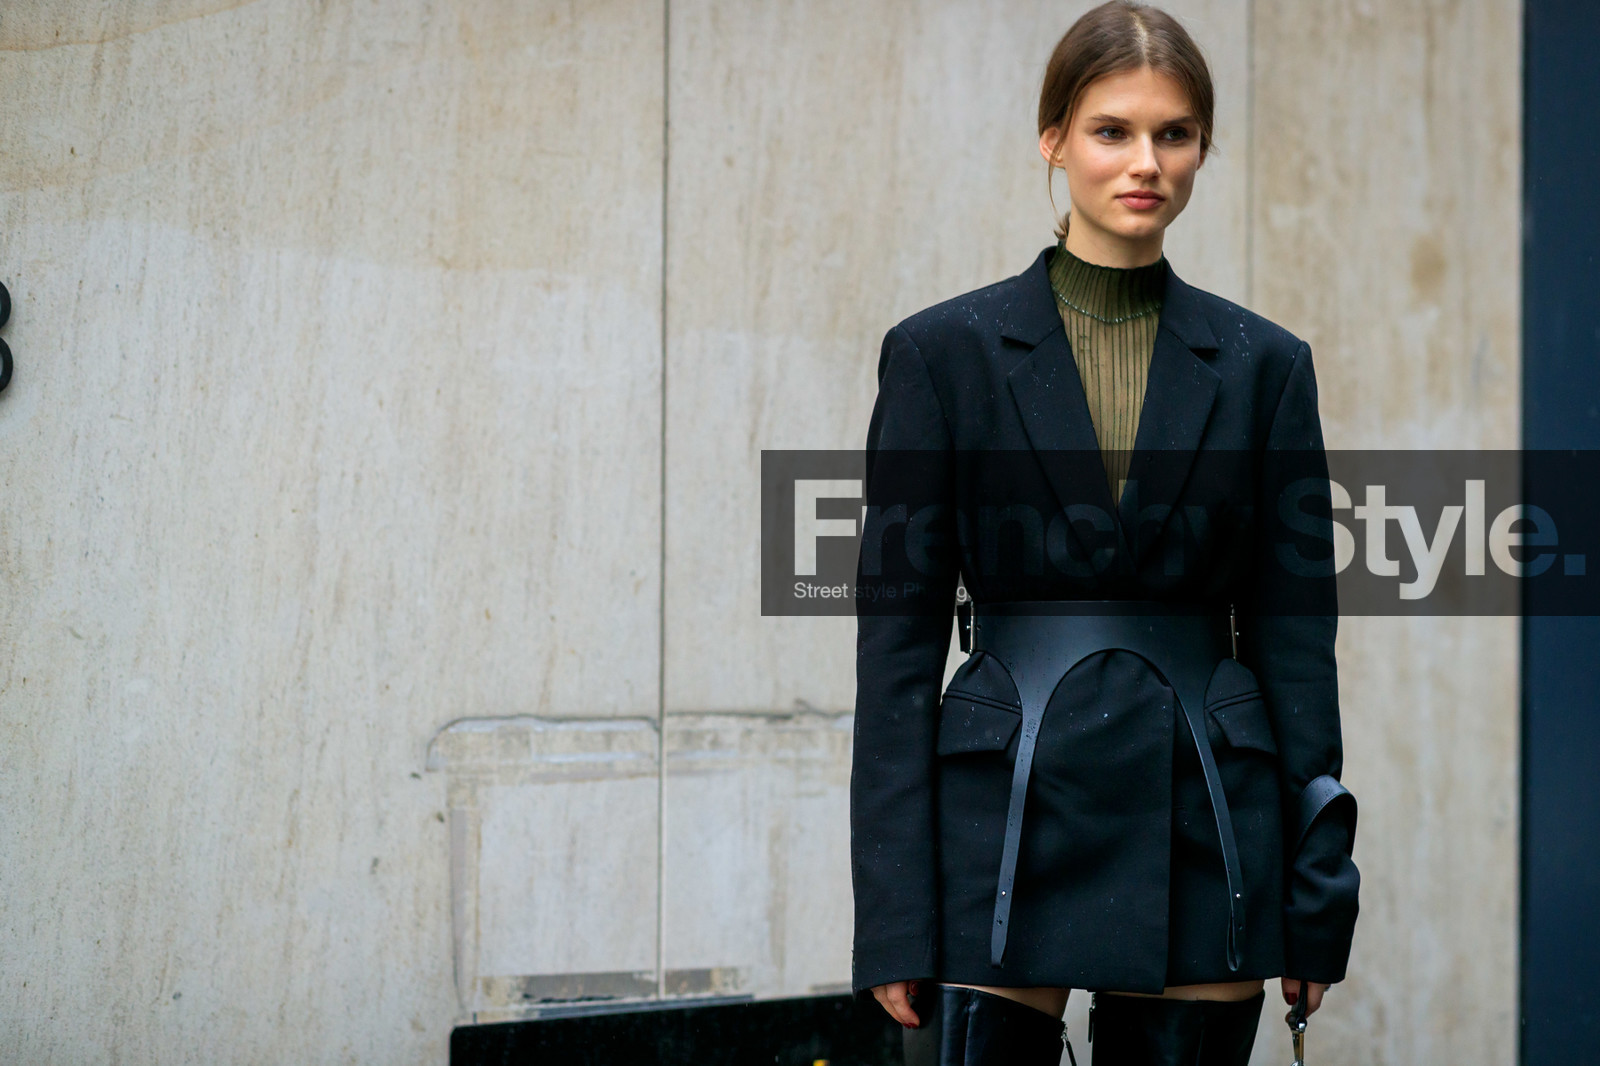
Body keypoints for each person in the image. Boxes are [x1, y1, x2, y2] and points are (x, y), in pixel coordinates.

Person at [848, 3, 1361, 1063]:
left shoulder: (1266, 365)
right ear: (1054, 140)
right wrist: (891, 913)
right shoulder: (941, 355)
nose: (1145, 162)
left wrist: (1316, 898)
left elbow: (1297, 646)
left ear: (1202, 149)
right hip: (1000, 811)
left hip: (1204, 808)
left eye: (1173, 134)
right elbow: (893, 653)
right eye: (1111, 131)